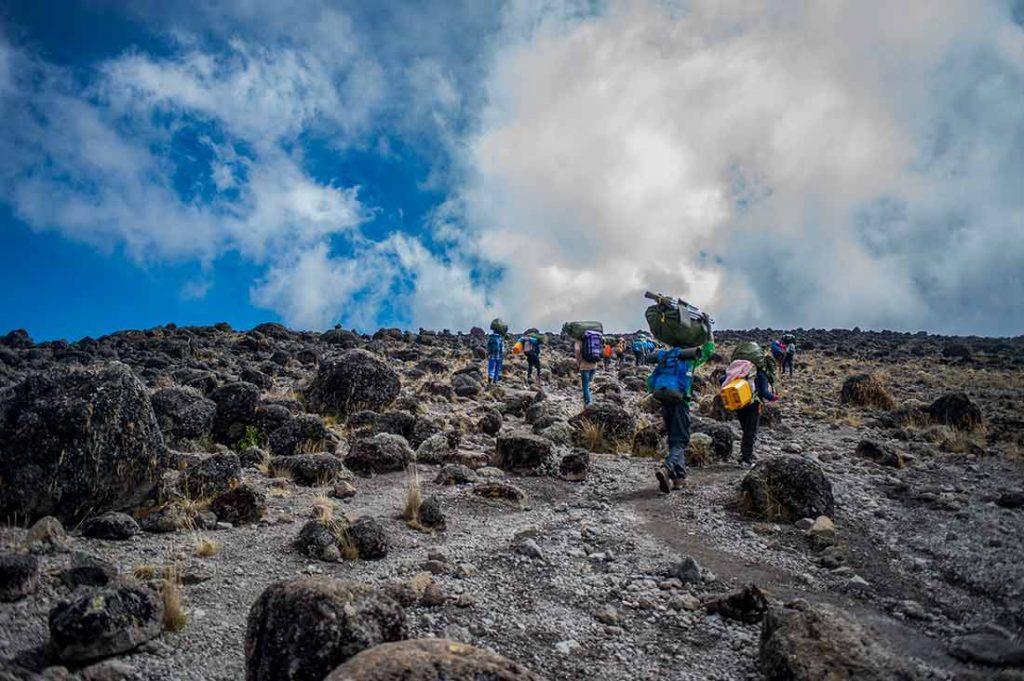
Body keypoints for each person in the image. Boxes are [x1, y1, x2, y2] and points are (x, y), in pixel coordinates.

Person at [723, 357, 777, 467]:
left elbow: (722, 380)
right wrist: (774, 397)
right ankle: (746, 459)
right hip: (754, 405)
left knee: (745, 430)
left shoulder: (737, 371)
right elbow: (765, 392)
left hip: (739, 404)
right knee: (750, 432)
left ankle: (744, 455)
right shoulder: (759, 374)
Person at [574, 335, 598, 406]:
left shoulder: (578, 342)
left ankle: (589, 403)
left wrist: (579, 362)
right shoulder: (593, 338)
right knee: (588, 383)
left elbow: (577, 351)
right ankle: (586, 399)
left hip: (584, 366)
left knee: (585, 385)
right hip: (594, 365)